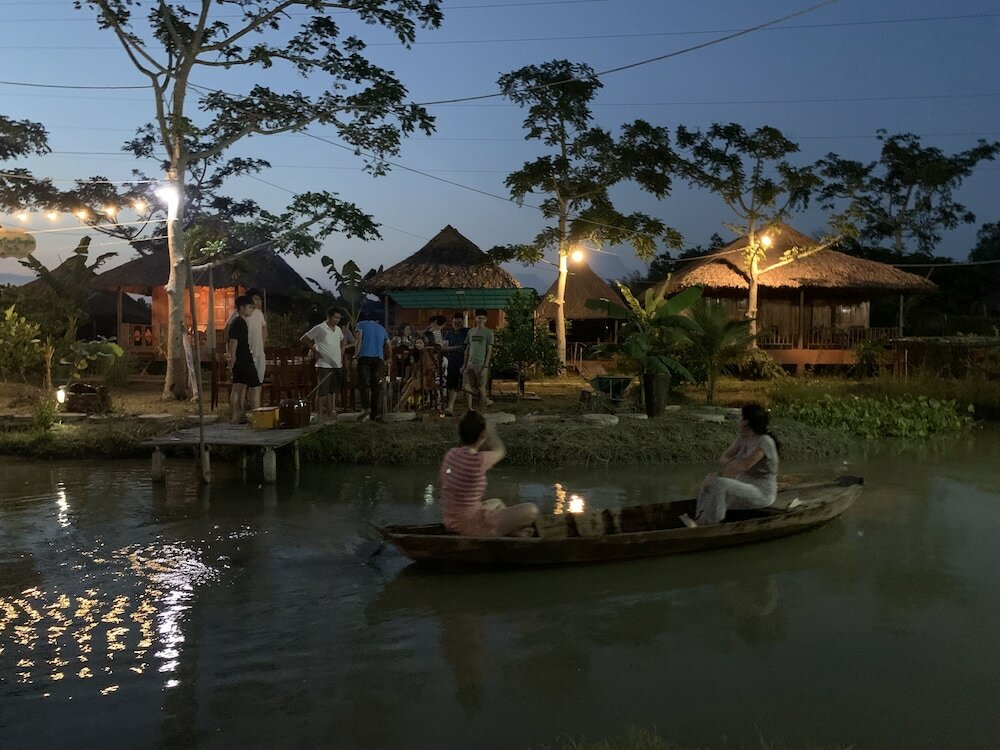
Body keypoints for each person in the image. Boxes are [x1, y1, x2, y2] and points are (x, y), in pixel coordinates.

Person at [680, 403, 782, 527]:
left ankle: (706, 523)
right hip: (742, 486)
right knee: (710, 480)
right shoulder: (742, 438)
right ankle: (699, 517)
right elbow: (724, 457)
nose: (738, 420)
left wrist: (721, 476)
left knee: (720, 483)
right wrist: (717, 476)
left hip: (762, 492)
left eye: (741, 417)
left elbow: (744, 466)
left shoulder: (765, 442)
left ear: (746, 422)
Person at [439, 411, 539, 537]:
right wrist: (492, 433)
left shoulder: (451, 454)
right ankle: (508, 535)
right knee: (531, 510)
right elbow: (501, 451)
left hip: (452, 521)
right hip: (470, 525)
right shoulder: (478, 460)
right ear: (482, 435)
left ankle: (513, 534)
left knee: (497, 502)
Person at [300, 307, 346, 418]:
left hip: (336, 364)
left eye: (339, 318)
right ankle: (319, 414)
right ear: (329, 317)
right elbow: (304, 339)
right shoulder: (320, 328)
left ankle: (330, 412)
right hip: (324, 364)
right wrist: (315, 350)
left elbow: (341, 341)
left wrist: (340, 355)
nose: (337, 320)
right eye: (335, 317)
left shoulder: (338, 329)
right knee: (322, 391)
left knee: (332, 391)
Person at [226, 295, 261, 423]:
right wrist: (233, 357)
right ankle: (256, 416)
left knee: (238, 387)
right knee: (255, 387)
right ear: (242, 308)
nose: (252, 310)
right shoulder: (239, 322)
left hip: (240, 359)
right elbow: (234, 341)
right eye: (250, 307)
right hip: (244, 359)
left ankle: (235, 416)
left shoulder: (236, 322)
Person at [353, 312, 390, 422]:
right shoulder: (382, 328)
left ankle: (365, 408)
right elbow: (388, 345)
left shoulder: (360, 325)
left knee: (363, 383)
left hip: (364, 357)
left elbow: (358, 340)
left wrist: (355, 356)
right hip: (378, 358)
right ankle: (375, 414)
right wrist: (390, 357)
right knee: (376, 387)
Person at [461, 309, 494, 411]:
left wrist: (485, 366)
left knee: (481, 386)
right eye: (479, 318)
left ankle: (482, 410)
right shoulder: (471, 331)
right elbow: (467, 349)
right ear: (475, 319)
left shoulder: (489, 332)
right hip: (469, 364)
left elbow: (489, 351)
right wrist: (464, 364)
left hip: (481, 364)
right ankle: (472, 407)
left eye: (483, 318)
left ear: (486, 320)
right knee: (465, 387)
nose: (481, 320)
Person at [442, 312, 468, 416]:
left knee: (467, 385)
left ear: (462, 322)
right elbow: (444, 347)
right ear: (452, 322)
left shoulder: (468, 331)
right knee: (452, 385)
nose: (457, 324)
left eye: (459, 322)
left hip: (466, 362)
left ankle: (470, 408)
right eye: (455, 322)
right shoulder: (448, 333)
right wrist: (458, 347)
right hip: (452, 362)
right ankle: (450, 407)